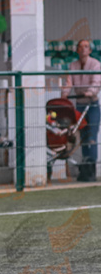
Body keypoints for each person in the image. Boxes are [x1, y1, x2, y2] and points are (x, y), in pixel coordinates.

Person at [62, 39, 101, 181]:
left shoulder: (95, 64)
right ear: (77, 50)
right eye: (80, 47)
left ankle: (91, 169)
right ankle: (84, 168)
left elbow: (96, 81)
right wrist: (65, 94)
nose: (83, 49)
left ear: (90, 50)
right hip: (79, 104)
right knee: (83, 138)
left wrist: (91, 92)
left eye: (86, 47)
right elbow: (69, 82)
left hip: (92, 104)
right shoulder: (73, 65)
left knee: (91, 137)